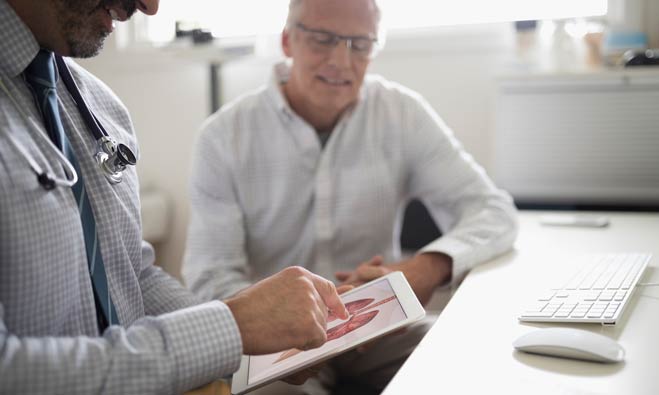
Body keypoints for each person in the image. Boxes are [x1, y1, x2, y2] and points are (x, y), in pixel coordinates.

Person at [0, 1, 349, 393]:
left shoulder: (100, 107)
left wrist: (260, 335)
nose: (149, 7)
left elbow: (132, 276)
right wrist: (231, 328)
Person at [183, 0, 518, 392]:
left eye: (360, 44)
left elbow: (494, 211)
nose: (342, 62)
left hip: (381, 332)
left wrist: (425, 269)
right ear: (288, 41)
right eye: (324, 39)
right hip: (281, 345)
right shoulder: (223, 137)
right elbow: (209, 277)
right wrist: (271, 320)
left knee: (461, 363)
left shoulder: (402, 113)